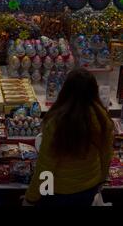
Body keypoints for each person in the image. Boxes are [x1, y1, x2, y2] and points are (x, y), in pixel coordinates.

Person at [24, 68, 114, 206]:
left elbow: (46, 166)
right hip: (88, 187)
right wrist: (100, 181)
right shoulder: (102, 118)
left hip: (58, 191)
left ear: (65, 89)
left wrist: (32, 198)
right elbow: (106, 155)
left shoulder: (57, 122)